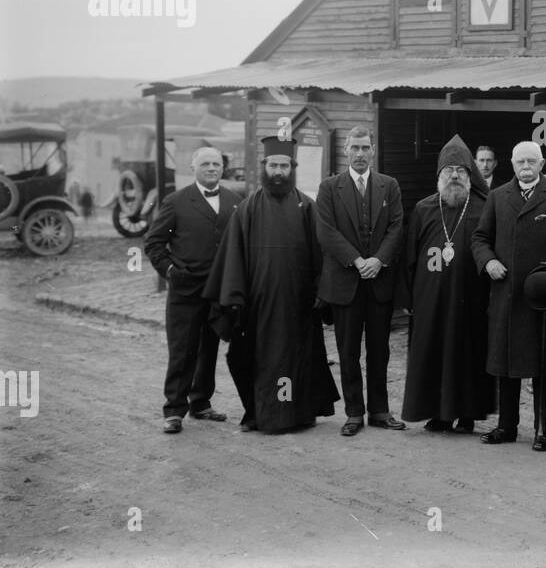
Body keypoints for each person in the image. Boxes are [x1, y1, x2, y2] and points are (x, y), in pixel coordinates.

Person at [204, 136, 339, 433]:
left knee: (297, 359)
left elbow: (322, 253)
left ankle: (298, 415)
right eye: (274, 165)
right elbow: (233, 256)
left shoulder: (307, 206)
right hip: (258, 304)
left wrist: (321, 292)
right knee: (250, 358)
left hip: (298, 304)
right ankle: (257, 413)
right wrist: (235, 296)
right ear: (265, 167)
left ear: (292, 168)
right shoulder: (248, 208)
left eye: (284, 166)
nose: (279, 171)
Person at [472, 141, 546, 451]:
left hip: (544, 297)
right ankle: (506, 426)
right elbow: (480, 237)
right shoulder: (498, 197)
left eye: (531, 162)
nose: (526, 167)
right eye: (520, 161)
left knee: (542, 363)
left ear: (541, 164)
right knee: (506, 363)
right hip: (506, 295)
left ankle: (542, 429)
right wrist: (489, 261)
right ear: (512, 164)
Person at [145, 146, 242, 434]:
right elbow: (153, 243)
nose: (212, 168)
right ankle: (174, 409)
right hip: (186, 291)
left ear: (223, 169)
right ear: (193, 168)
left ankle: (201, 402)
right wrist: (171, 272)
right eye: (205, 164)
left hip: (218, 290)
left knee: (209, 348)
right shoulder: (176, 201)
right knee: (183, 350)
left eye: (216, 164)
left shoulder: (235, 201)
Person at [316, 126, 406, 436]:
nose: (359, 154)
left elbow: (397, 227)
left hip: (379, 281)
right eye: (354, 148)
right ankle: (354, 413)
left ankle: (380, 410)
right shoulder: (330, 187)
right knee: (348, 350)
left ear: (373, 151)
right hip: (345, 282)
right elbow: (326, 231)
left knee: (380, 350)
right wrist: (357, 261)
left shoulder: (389, 186)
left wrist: (378, 260)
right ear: (345, 151)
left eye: (365, 148)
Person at [400, 136, 494, 433]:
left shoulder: (486, 207)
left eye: (461, 171)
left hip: (473, 297)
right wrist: (408, 298)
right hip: (432, 301)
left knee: (470, 354)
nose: (454, 176)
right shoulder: (424, 208)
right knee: (435, 354)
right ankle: (439, 414)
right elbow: (409, 258)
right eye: (448, 171)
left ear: (470, 176)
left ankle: (468, 414)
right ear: (439, 175)